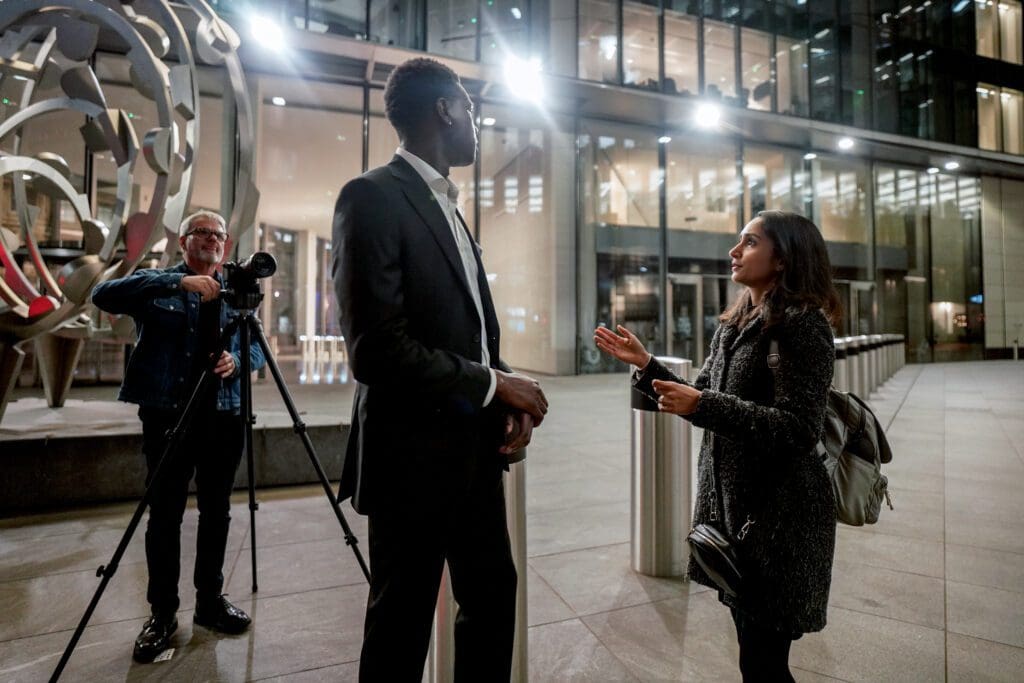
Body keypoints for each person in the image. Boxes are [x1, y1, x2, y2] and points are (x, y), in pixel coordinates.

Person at [331, 57, 548, 682]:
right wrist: (493, 383)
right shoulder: (370, 197)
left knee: (490, 603)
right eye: (471, 111)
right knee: (401, 627)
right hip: (411, 460)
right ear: (445, 110)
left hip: (475, 453)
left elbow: (468, 327)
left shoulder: (449, 205)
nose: (478, 124)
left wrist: (501, 392)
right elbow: (376, 349)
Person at [595, 211, 840, 682]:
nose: (734, 251)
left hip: (781, 522)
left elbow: (798, 428)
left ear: (784, 258)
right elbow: (703, 392)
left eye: (748, 242)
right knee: (753, 652)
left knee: (764, 662)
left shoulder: (804, 326)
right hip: (737, 515)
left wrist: (702, 404)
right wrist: (646, 364)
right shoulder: (734, 322)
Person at [91, 210, 265, 663]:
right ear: (184, 242)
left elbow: (256, 346)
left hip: (223, 415)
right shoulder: (158, 283)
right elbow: (102, 294)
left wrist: (239, 362)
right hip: (168, 415)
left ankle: (209, 602)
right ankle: (162, 614)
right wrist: (176, 285)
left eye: (218, 235)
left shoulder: (237, 289)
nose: (211, 240)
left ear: (226, 245)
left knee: (217, 512)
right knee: (164, 515)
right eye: (201, 233)